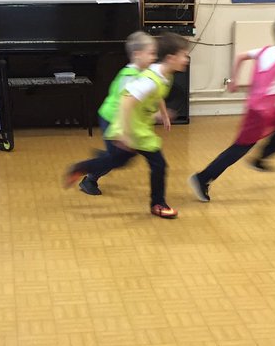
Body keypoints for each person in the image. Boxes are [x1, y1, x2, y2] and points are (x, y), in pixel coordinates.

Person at [188, 14, 275, 203]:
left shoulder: (265, 51)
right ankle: (203, 178)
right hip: (261, 112)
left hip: (265, 107)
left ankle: (260, 159)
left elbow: (240, 56)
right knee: (240, 148)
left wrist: (234, 79)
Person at [64, 32, 189, 219]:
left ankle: (157, 204)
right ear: (171, 58)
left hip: (139, 126)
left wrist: (163, 113)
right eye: (184, 55)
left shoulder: (165, 75)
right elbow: (126, 101)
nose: (187, 59)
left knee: (138, 162)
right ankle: (83, 168)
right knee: (126, 160)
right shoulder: (146, 78)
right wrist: (124, 133)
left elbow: (157, 94)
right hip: (126, 124)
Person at [77, 31, 164, 197]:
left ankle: (102, 159)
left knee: (123, 156)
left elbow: (151, 96)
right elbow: (124, 106)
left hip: (123, 120)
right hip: (112, 119)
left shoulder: (145, 75)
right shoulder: (129, 77)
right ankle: (89, 178)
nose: (154, 58)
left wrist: (160, 113)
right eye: (151, 53)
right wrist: (123, 133)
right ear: (137, 54)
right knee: (118, 158)